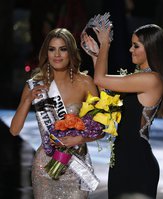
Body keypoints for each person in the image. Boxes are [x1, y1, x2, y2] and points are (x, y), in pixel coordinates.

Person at [82, 23, 163, 199]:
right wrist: (96, 56)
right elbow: (106, 95)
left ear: (151, 48)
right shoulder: (139, 77)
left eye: (136, 46)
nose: (131, 49)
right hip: (122, 159)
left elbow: (100, 79)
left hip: (137, 163)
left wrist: (105, 46)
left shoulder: (151, 79)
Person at [10, 28, 101, 199]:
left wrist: (80, 138)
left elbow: (100, 127)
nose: (57, 55)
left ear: (71, 52)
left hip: (76, 166)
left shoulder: (85, 83)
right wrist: (27, 100)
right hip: (44, 167)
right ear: (46, 53)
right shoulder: (35, 85)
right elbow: (14, 130)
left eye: (63, 49)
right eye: (52, 49)